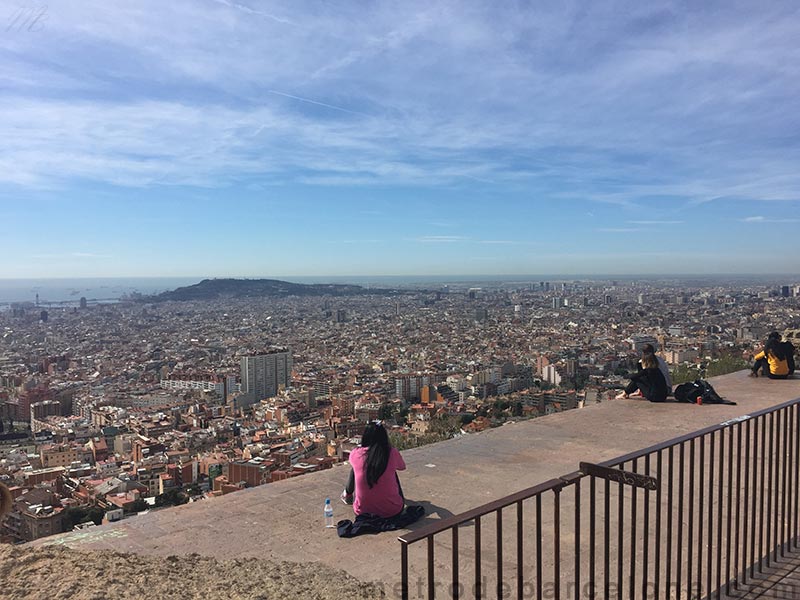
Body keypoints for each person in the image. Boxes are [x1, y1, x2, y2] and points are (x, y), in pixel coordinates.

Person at [341, 421, 406, 518]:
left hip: (363, 512)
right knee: (391, 469)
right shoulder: (391, 452)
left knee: (356, 468)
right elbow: (402, 467)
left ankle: (347, 495)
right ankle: (391, 500)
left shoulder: (356, 453)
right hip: (393, 511)